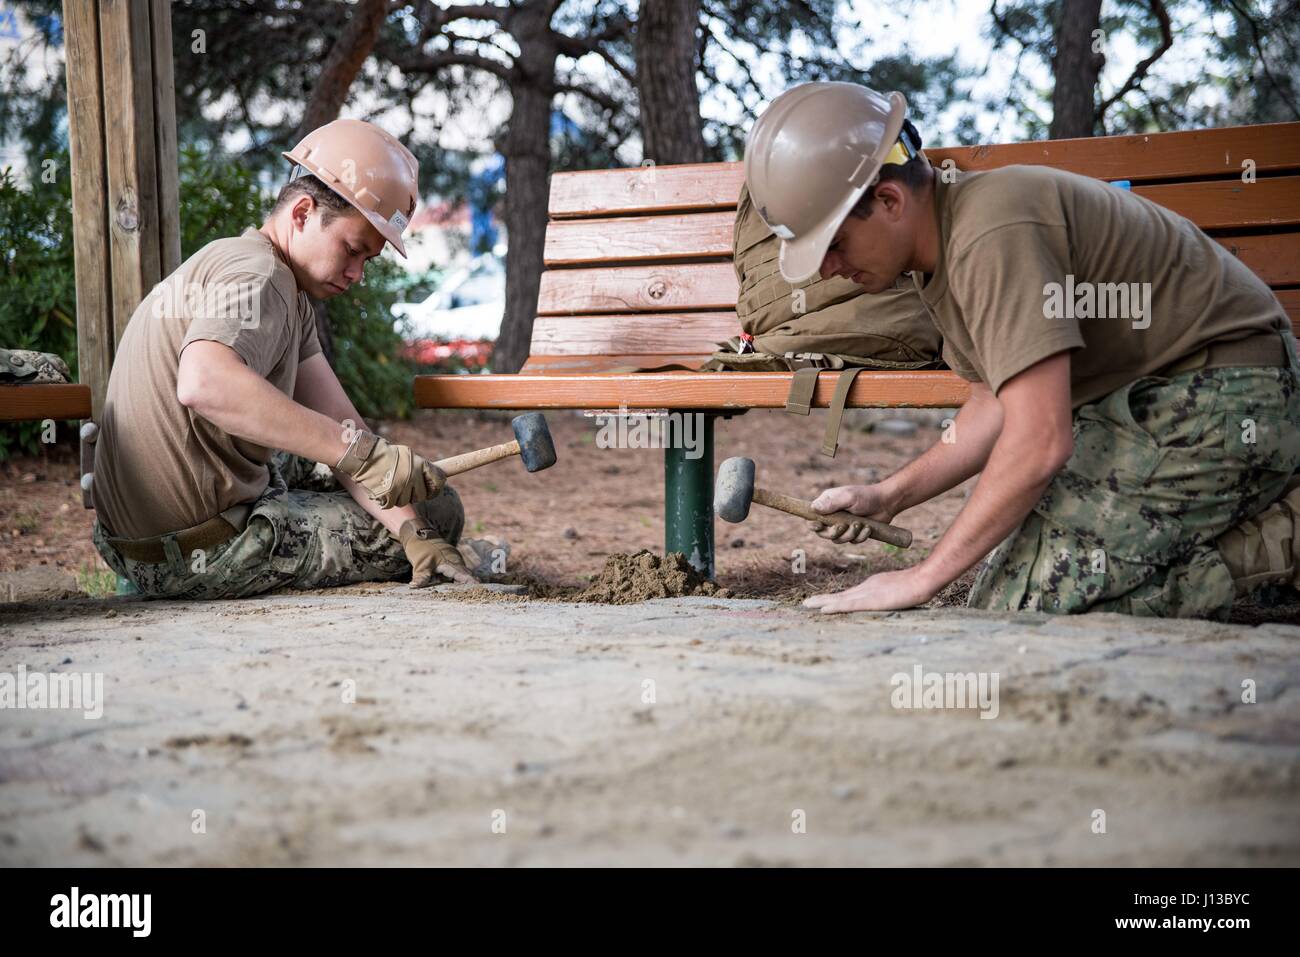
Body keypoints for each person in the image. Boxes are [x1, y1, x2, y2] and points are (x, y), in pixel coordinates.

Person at [743, 81, 1300, 617]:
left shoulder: (991, 230)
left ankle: (1274, 543)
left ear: (889, 200)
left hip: (1233, 393)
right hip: (1156, 397)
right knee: (1000, 596)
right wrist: (891, 495)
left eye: (834, 244)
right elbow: (996, 400)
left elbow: (1040, 440)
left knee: (1029, 612)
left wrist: (919, 578)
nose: (831, 270)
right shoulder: (941, 248)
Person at [92, 118, 484, 599]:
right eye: (352, 249)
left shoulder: (257, 273)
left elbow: (341, 427)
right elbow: (204, 383)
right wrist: (375, 467)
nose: (357, 273)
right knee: (442, 509)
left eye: (369, 260)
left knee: (414, 512)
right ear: (302, 213)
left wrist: (415, 534)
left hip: (135, 542)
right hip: (195, 556)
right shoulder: (261, 276)